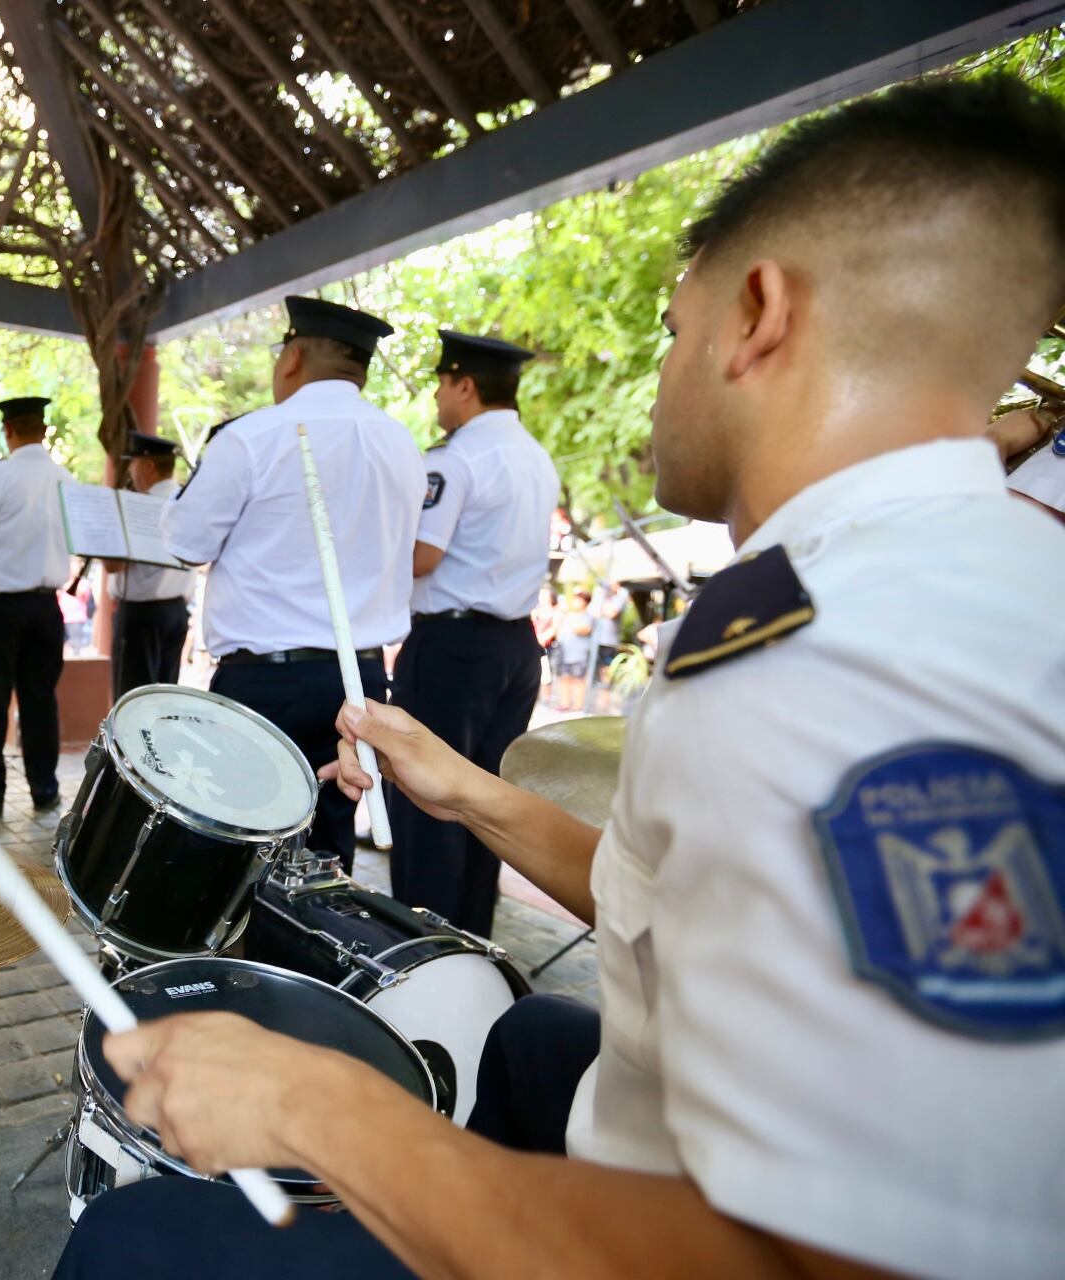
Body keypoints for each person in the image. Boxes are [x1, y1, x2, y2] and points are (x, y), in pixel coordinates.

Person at [53, 75, 1065, 1280]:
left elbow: (858, 1257)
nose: (665, 376)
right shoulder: (917, 576)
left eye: (674, 332)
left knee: (135, 1238)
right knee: (530, 1032)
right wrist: (471, 792)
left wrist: (321, 1108)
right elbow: (671, 905)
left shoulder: (859, 653)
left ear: (759, 314)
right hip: (654, 1123)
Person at [165, 296, 427, 870]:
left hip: (267, 682)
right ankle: (314, 959)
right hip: (359, 677)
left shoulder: (253, 436)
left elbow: (186, 544)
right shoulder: (402, 443)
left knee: (239, 846)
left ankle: (245, 959)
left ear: (291, 358)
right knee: (326, 855)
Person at [389, 330, 559, 930]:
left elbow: (422, 557)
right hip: (515, 645)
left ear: (465, 385)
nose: (437, 396)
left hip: (452, 648)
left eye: (441, 383)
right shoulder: (537, 458)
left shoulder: (456, 459)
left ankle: (422, 950)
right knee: (488, 807)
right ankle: (470, 944)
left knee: (428, 799)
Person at [0, 396, 75, 818]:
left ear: (9, 431)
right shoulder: (68, 480)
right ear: (42, 430)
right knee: (40, 699)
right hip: (47, 608)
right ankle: (45, 788)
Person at [106, 430, 195, 698]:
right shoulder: (188, 501)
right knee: (164, 698)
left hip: (141, 615)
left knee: (132, 700)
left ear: (148, 465)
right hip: (176, 611)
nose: (131, 471)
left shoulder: (137, 505)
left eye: (132, 463)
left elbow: (113, 565)